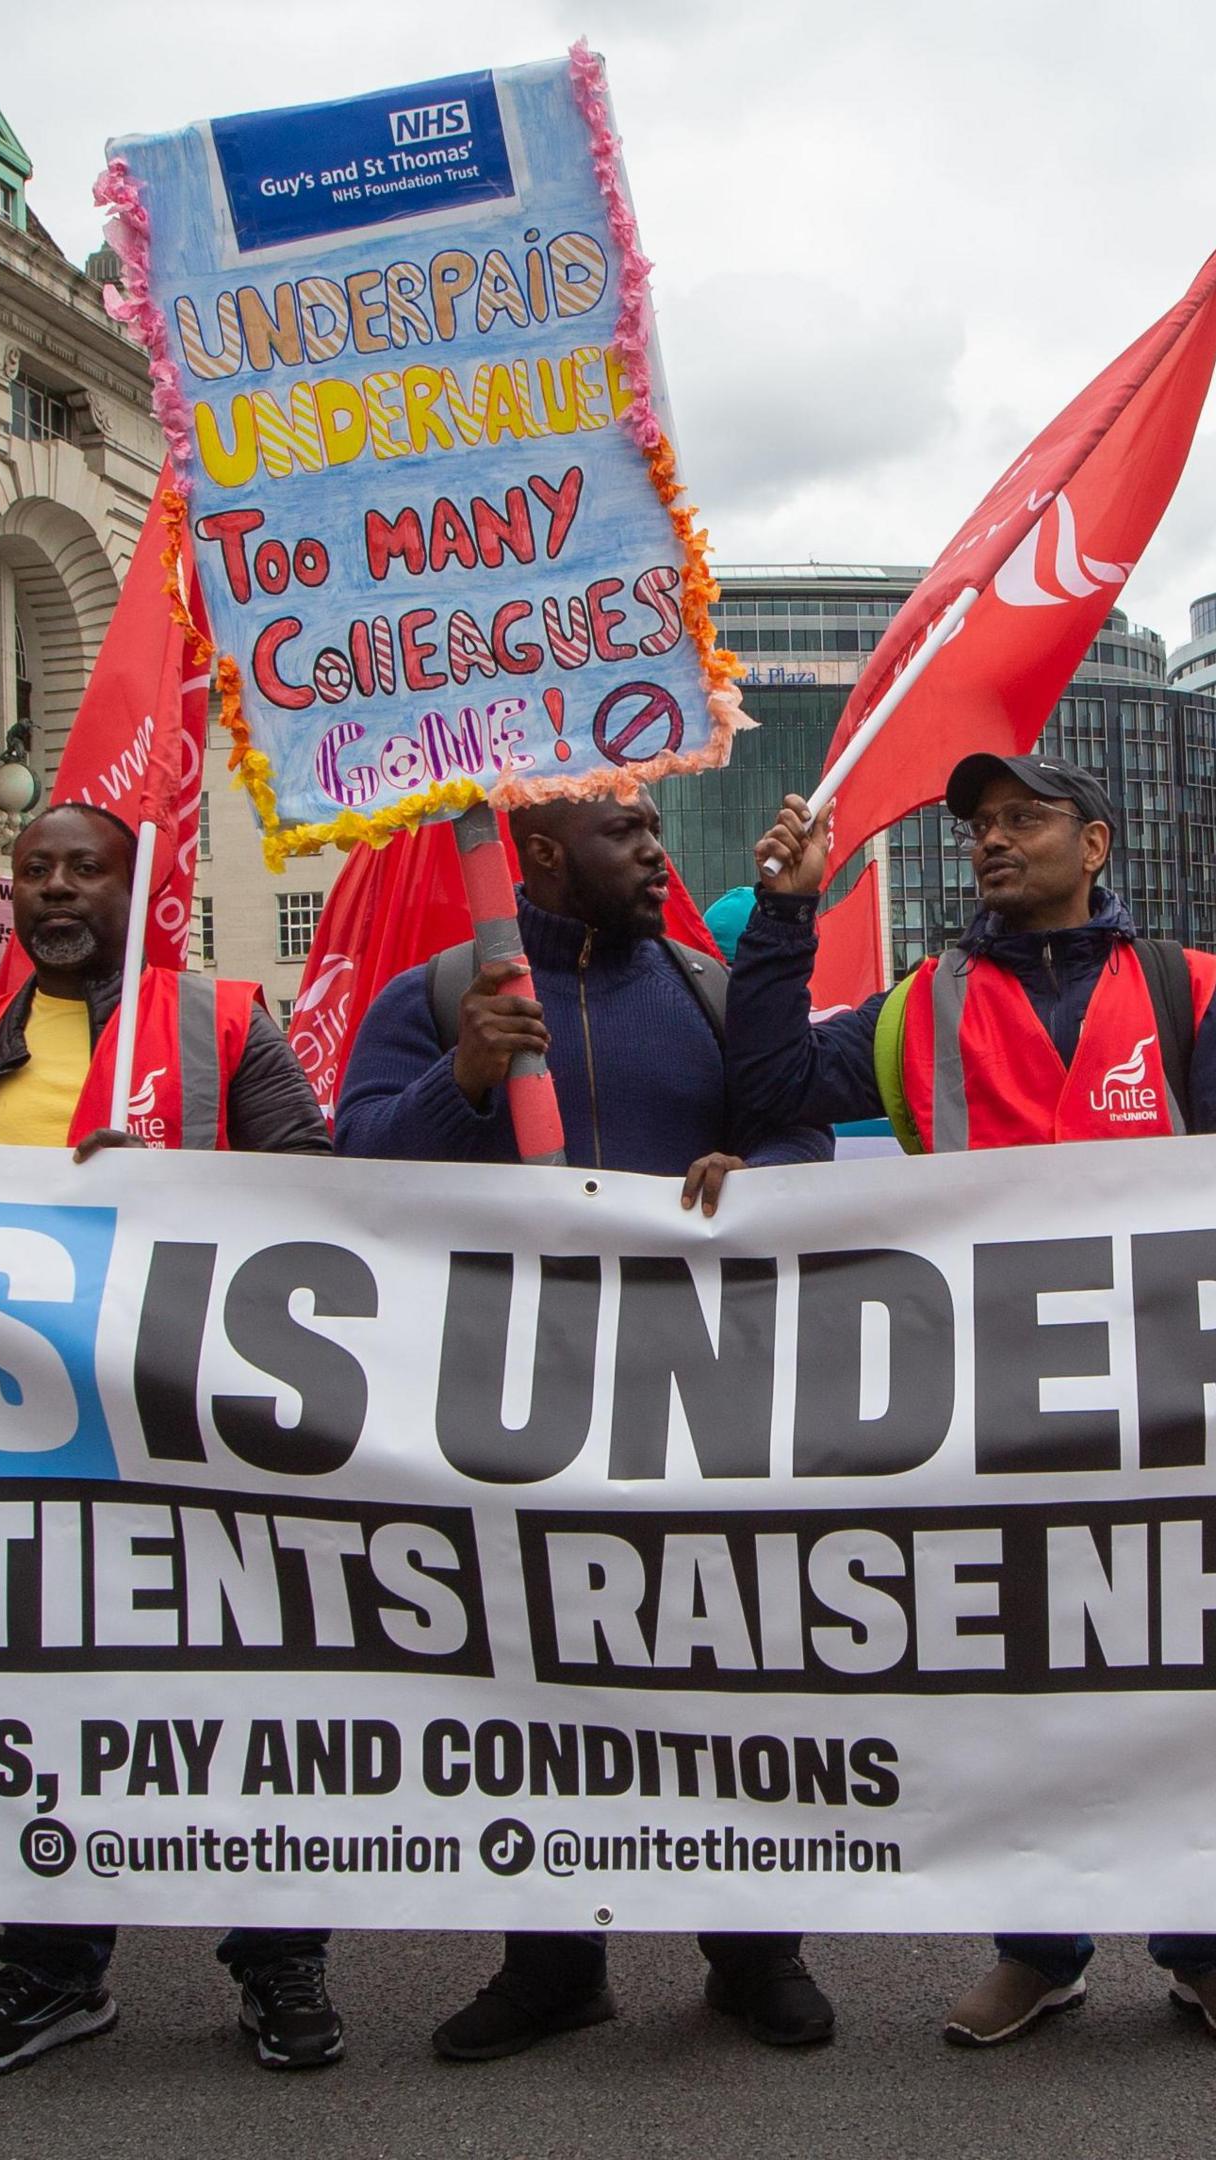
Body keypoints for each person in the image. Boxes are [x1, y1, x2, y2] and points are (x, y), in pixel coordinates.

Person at [736, 753, 1216, 2056]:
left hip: (1165, 1420)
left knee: (1181, 1688)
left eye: (1024, 819)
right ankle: (1038, 1948)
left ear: (1096, 844)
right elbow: (763, 1093)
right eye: (980, 824)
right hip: (990, 1421)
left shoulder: (1189, 991)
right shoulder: (919, 1008)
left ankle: (1211, 1949)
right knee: (1022, 1689)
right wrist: (784, 917)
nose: (994, 839)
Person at [337, 791, 840, 2061]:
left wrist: (757, 1180)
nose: (661, 851)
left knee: (728, 1676)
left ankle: (753, 1952)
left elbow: (796, 1134)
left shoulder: (705, 992)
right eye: (630, 836)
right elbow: (348, 1173)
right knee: (532, 1685)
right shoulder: (436, 995)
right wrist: (459, 1081)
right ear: (545, 857)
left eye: (665, 826)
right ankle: (553, 1965)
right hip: (508, 1404)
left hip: (695, 1405)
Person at [0, 804, 345, 2076]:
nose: (50, 890)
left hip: (198, 1437)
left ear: (129, 887)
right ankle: (50, 1971)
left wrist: (178, 1189)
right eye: (31, 870)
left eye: (78, 869)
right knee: (47, 1715)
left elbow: (317, 1191)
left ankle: (280, 1963)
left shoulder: (221, 1023)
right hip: (16, 1448)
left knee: (240, 1708)